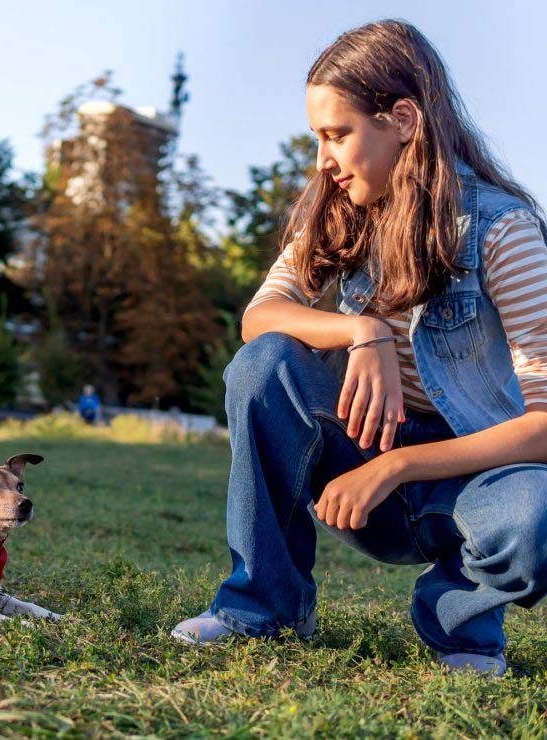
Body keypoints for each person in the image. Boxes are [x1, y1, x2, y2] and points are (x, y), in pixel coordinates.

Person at [171, 19, 547, 677]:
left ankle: (461, 627)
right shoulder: (340, 210)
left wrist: (399, 467)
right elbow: (260, 316)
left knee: (539, 513)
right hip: (357, 463)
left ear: (402, 119)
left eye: (336, 135)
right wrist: (361, 330)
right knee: (264, 367)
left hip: (464, 486)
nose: (323, 160)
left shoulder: (503, 231)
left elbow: (544, 427)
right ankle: (260, 610)